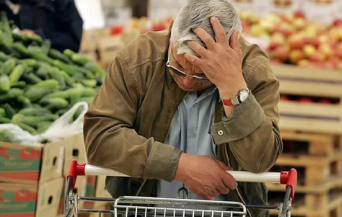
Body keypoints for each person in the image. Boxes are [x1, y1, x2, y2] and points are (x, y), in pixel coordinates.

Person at [83, 0, 282, 216]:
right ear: (171, 37)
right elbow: (100, 138)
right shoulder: (138, 59)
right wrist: (180, 166)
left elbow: (261, 159)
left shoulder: (253, 71)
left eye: (201, 75)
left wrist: (233, 88)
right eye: (177, 66)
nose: (187, 82)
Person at [0, 0, 83, 52]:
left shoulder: (60, 2)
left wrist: (38, 36)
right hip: (12, 60)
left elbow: (73, 41)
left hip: (53, 65)